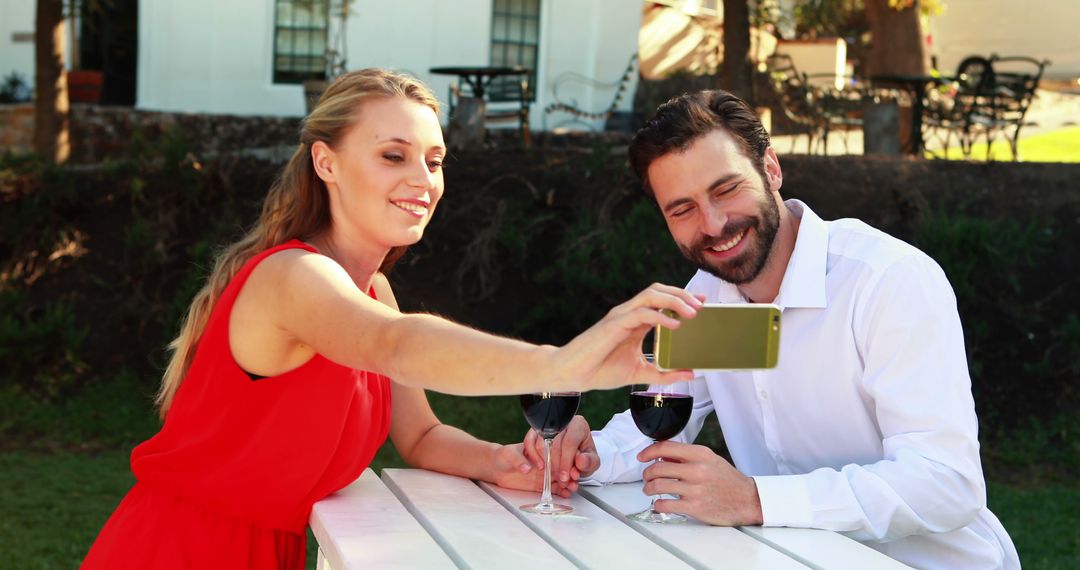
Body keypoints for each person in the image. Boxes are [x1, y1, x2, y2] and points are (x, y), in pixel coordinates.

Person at [80, 68, 703, 569]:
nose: (422, 179)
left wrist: (505, 460)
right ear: (326, 163)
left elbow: (421, 437)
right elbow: (397, 345)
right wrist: (565, 364)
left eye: (434, 160)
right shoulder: (293, 277)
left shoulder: (372, 290)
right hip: (177, 550)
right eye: (393, 155)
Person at [531, 89, 1020, 570]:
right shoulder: (705, 291)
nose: (714, 223)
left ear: (771, 169)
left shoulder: (887, 281)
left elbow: (946, 483)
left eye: (726, 189)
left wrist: (755, 499)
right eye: (682, 209)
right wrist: (592, 453)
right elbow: (665, 410)